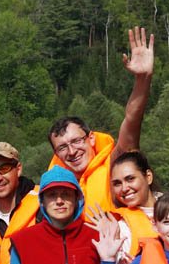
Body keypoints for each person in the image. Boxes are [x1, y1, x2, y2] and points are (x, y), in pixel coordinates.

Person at [45, 27, 154, 212]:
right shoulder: (54, 190)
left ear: (92, 138)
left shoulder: (115, 163)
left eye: (76, 141)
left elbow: (132, 119)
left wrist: (143, 80)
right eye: (62, 147)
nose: (72, 151)